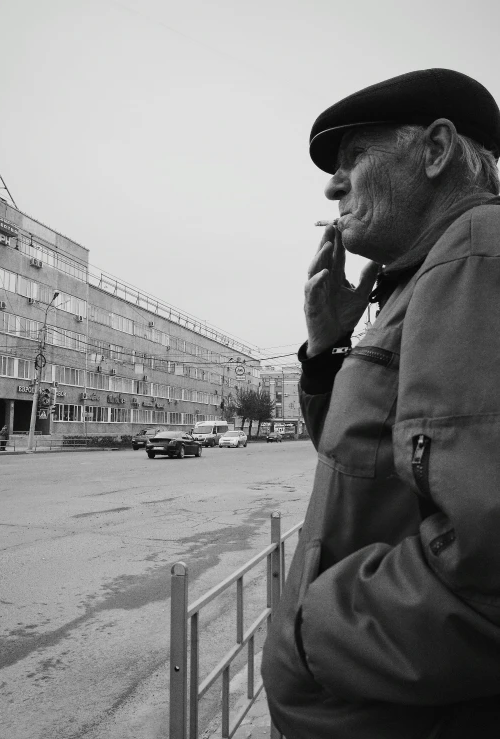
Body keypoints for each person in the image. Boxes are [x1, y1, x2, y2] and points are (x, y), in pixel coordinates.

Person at [261, 68, 500, 739]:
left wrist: (307, 635)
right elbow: (367, 468)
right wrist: (326, 347)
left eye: (356, 159)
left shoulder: (475, 250)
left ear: (435, 150)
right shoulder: (415, 280)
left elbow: (484, 568)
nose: (335, 187)